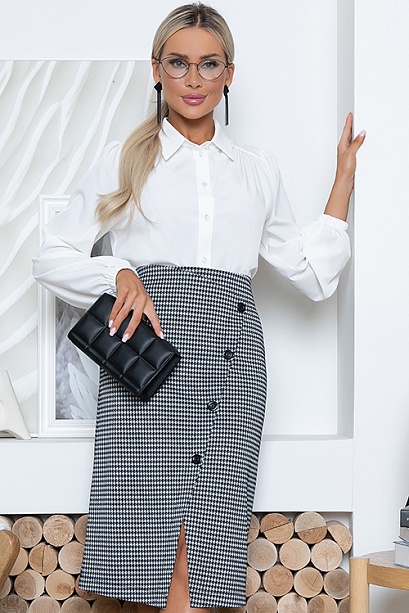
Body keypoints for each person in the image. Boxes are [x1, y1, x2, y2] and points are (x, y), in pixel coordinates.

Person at [33, 3, 365, 612]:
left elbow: (311, 274)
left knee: (211, 530)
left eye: (208, 64)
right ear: (156, 70)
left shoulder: (256, 169)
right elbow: (50, 256)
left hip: (233, 361)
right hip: (150, 359)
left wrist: (342, 178)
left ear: (229, 74)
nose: (193, 79)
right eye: (178, 63)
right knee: (145, 532)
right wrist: (119, 272)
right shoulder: (124, 158)